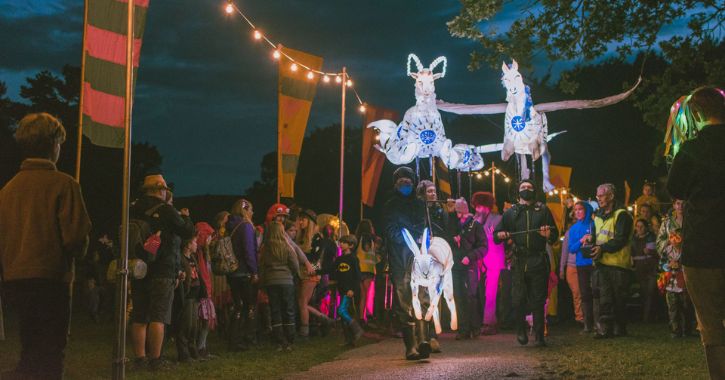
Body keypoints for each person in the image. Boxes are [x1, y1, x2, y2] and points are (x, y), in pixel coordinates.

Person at [0, 113, 92, 379]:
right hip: (52, 278)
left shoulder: (8, 190)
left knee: (30, 346)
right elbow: (76, 237)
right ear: (54, 144)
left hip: (16, 279)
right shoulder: (64, 184)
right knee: (51, 350)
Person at [666, 86, 725, 379]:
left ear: (697, 114)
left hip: (702, 247)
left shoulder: (691, 148)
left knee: (711, 325)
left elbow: (674, 188)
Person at [128, 173, 194, 371]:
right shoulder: (166, 210)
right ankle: (155, 360)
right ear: (160, 190)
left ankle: (140, 359)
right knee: (159, 316)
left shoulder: (132, 208)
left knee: (139, 316)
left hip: (138, 267)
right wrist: (186, 217)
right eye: (165, 188)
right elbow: (187, 232)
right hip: (162, 269)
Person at [494, 179, 559, 347]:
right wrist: (501, 235)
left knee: (538, 299)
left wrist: (548, 235)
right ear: (518, 191)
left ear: (534, 190)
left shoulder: (543, 210)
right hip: (519, 260)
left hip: (538, 260)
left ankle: (539, 335)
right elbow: (497, 234)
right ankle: (520, 330)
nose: (526, 189)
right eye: (523, 187)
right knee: (518, 299)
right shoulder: (511, 212)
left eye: (529, 187)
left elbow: (555, 235)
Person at [382, 166, 428, 360]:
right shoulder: (390, 205)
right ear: (395, 184)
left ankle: (423, 340)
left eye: (408, 182)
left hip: (419, 258)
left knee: (422, 297)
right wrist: (406, 237)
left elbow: (425, 225)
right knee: (404, 301)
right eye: (401, 182)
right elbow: (389, 229)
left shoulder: (419, 204)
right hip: (399, 258)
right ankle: (410, 346)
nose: (405, 185)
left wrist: (419, 238)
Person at [588, 183, 634, 339]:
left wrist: (602, 248)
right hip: (601, 263)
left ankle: (619, 328)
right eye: (597, 195)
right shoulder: (597, 217)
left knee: (618, 299)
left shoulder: (622, 215)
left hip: (619, 264)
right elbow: (596, 237)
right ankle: (605, 329)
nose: (598, 198)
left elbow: (621, 239)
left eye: (601, 195)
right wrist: (590, 241)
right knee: (604, 298)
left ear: (611, 196)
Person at [416, 180, 455, 352]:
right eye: (429, 191)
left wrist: (452, 213)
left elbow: (451, 232)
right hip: (421, 257)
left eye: (434, 191)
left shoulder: (441, 211)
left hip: (437, 257)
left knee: (435, 296)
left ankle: (432, 336)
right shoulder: (417, 210)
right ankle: (423, 336)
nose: (433, 194)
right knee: (421, 296)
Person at [258, 221, 300, 351]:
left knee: (275, 310)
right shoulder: (286, 246)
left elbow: (262, 266)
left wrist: (263, 281)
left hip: (271, 281)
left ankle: (279, 340)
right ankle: (290, 339)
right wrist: (290, 274)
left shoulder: (266, 248)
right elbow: (295, 264)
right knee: (288, 309)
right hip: (286, 281)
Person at [451, 197, 487, 340]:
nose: (459, 216)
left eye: (460, 212)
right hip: (455, 266)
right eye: (457, 212)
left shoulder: (475, 226)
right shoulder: (453, 225)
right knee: (459, 297)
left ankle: (475, 327)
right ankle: (463, 329)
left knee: (470, 296)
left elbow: (484, 247)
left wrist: (470, 257)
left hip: (470, 266)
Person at [226, 199, 259, 351]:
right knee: (249, 305)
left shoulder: (229, 226)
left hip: (231, 271)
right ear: (245, 210)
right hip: (244, 271)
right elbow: (249, 251)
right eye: (251, 209)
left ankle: (233, 338)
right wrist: (254, 271)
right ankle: (247, 337)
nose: (252, 213)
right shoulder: (245, 227)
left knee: (237, 305)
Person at [472, 191, 503, 335]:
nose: (479, 210)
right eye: (477, 207)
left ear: (489, 207)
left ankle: (488, 322)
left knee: (490, 293)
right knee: (477, 292)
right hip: (478, 260)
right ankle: (478, 321)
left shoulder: (497, 219)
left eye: (482, 207)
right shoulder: (473, 220)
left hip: (493, 260)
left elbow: (491, 238)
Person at [564, 201, 595, 332]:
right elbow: (571, 248)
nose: (577, 212)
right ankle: (587, 324)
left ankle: (598, 323)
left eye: (580, 209)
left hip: (595, 263)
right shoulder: (574, 229)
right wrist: (581, 240)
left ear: (586, 210)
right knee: (584, 294)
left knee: (597, 293)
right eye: (575, 210)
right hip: (581, 264)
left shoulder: (594, 225)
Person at [658, 229, 694, 338]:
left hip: (684, 284)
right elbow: (661, 265)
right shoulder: (667, 250)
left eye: (677, 238)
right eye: (672, 237)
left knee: (686, 308)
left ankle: (686, 330)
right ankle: (675, 331)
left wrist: (679, 265)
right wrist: (668, 265)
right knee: (672, 309)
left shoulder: (687, 252)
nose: (674, 241)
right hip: (670, 284)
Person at [176, 231, 204, 362]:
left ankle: (193, 351)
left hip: (195, 296)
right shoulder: (181, 259)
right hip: (187, 296)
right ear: (187, 244)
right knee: (185, 325)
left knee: (194, 325)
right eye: (194, 241)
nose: (196, 244)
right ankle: (184, 353)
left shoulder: (193, 258)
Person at [335, 234, 364, 346]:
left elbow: (357, 275)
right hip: (342, 289)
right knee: (344, 315)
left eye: (344, 242)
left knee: (341, 311)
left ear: (351, 245)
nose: (341, 244)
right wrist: (315, 270)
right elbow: (333, 269)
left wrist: (352, 289)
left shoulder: (353, 259)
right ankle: (349, 340)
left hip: (349, 290)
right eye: (340, 242)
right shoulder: (339, 259)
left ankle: (357, 329)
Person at [194, 222, 217, 359]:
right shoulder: (198, 253)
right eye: (208, 236)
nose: (210, 239)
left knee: (206, 321)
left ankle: (201, 346)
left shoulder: (204, 253)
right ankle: (199, 347)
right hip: (201, 292)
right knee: (203, 320)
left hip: (205, 290)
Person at [630, 219, 659, 322]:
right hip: (639, 269)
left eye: (641, 226)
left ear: (646, 227)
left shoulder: (651, 237)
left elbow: (655, 252)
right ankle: (644, 316)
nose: (639, 228)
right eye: (637, 226)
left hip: (650, 268)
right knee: (643, 291)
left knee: (650, 292)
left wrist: (650, 251)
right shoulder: (633, 239)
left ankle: (648, 317)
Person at [210, 211, 232, 337]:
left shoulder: (226, 233)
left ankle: (226, 326)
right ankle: (222, 326)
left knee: (227, 302)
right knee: (220, 301)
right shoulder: (216, 235)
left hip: (225, 269)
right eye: (226, 219)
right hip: (219, 269)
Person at [355, 219, 378, 323]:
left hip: (359, 269)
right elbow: (367, 249)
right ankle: (362, 318)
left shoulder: (357, 239)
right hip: (367, 270)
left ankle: (362, 316)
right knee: (365, 295)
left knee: (361, 295)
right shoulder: (368, 238)